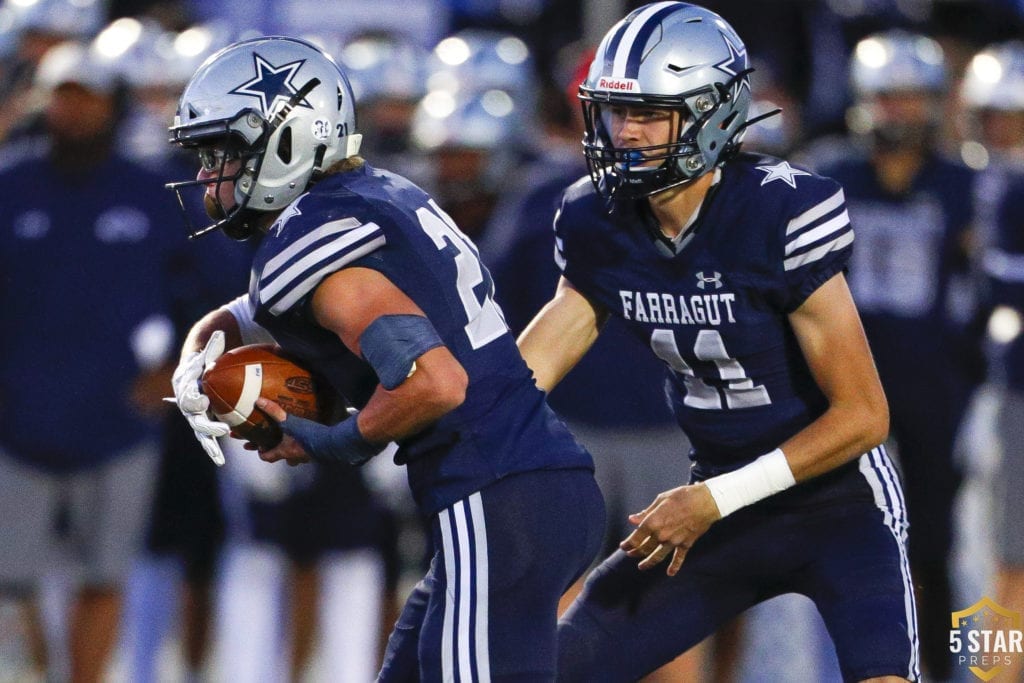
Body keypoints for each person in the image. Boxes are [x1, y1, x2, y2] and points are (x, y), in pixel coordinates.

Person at [164, 36, 604, 681]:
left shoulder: (313, 235)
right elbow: (272, 304)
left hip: (495, 492)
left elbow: (435, 383)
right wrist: (198, 350)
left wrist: (334, 440)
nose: (208, 175)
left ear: (285, 141)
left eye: (223, 153)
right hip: (525, 482)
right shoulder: (373, 193)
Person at [515, 4, 918, 682]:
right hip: (716, 504)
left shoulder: (778, 212)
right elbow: (524, 371)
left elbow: (864, 415)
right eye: (617, 112)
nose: (626, 133)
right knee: (557, 666)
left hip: (838, 504)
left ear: (710, 115)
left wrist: (715, 498)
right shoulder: (598, 220)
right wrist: (391, 417)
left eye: (649, 114)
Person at [0, 39, 184, 682]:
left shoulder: (151, 192)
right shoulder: (9, 184)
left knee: (106, 573)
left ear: (114, 107)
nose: (72, 114)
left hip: (119, 418)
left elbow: (208, 290)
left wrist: (177, 371)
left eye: (87, 100)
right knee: (12, 578)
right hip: (17, 420)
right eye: (63, 99)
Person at [816, 29, 982, 681]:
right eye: (892, 99)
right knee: (843, 541)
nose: (903, 115)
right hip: (843, 379)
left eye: (915, 100)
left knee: (937, 542)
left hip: (933, 380)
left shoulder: (964, 182)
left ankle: (945, 667)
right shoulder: (831, 171)